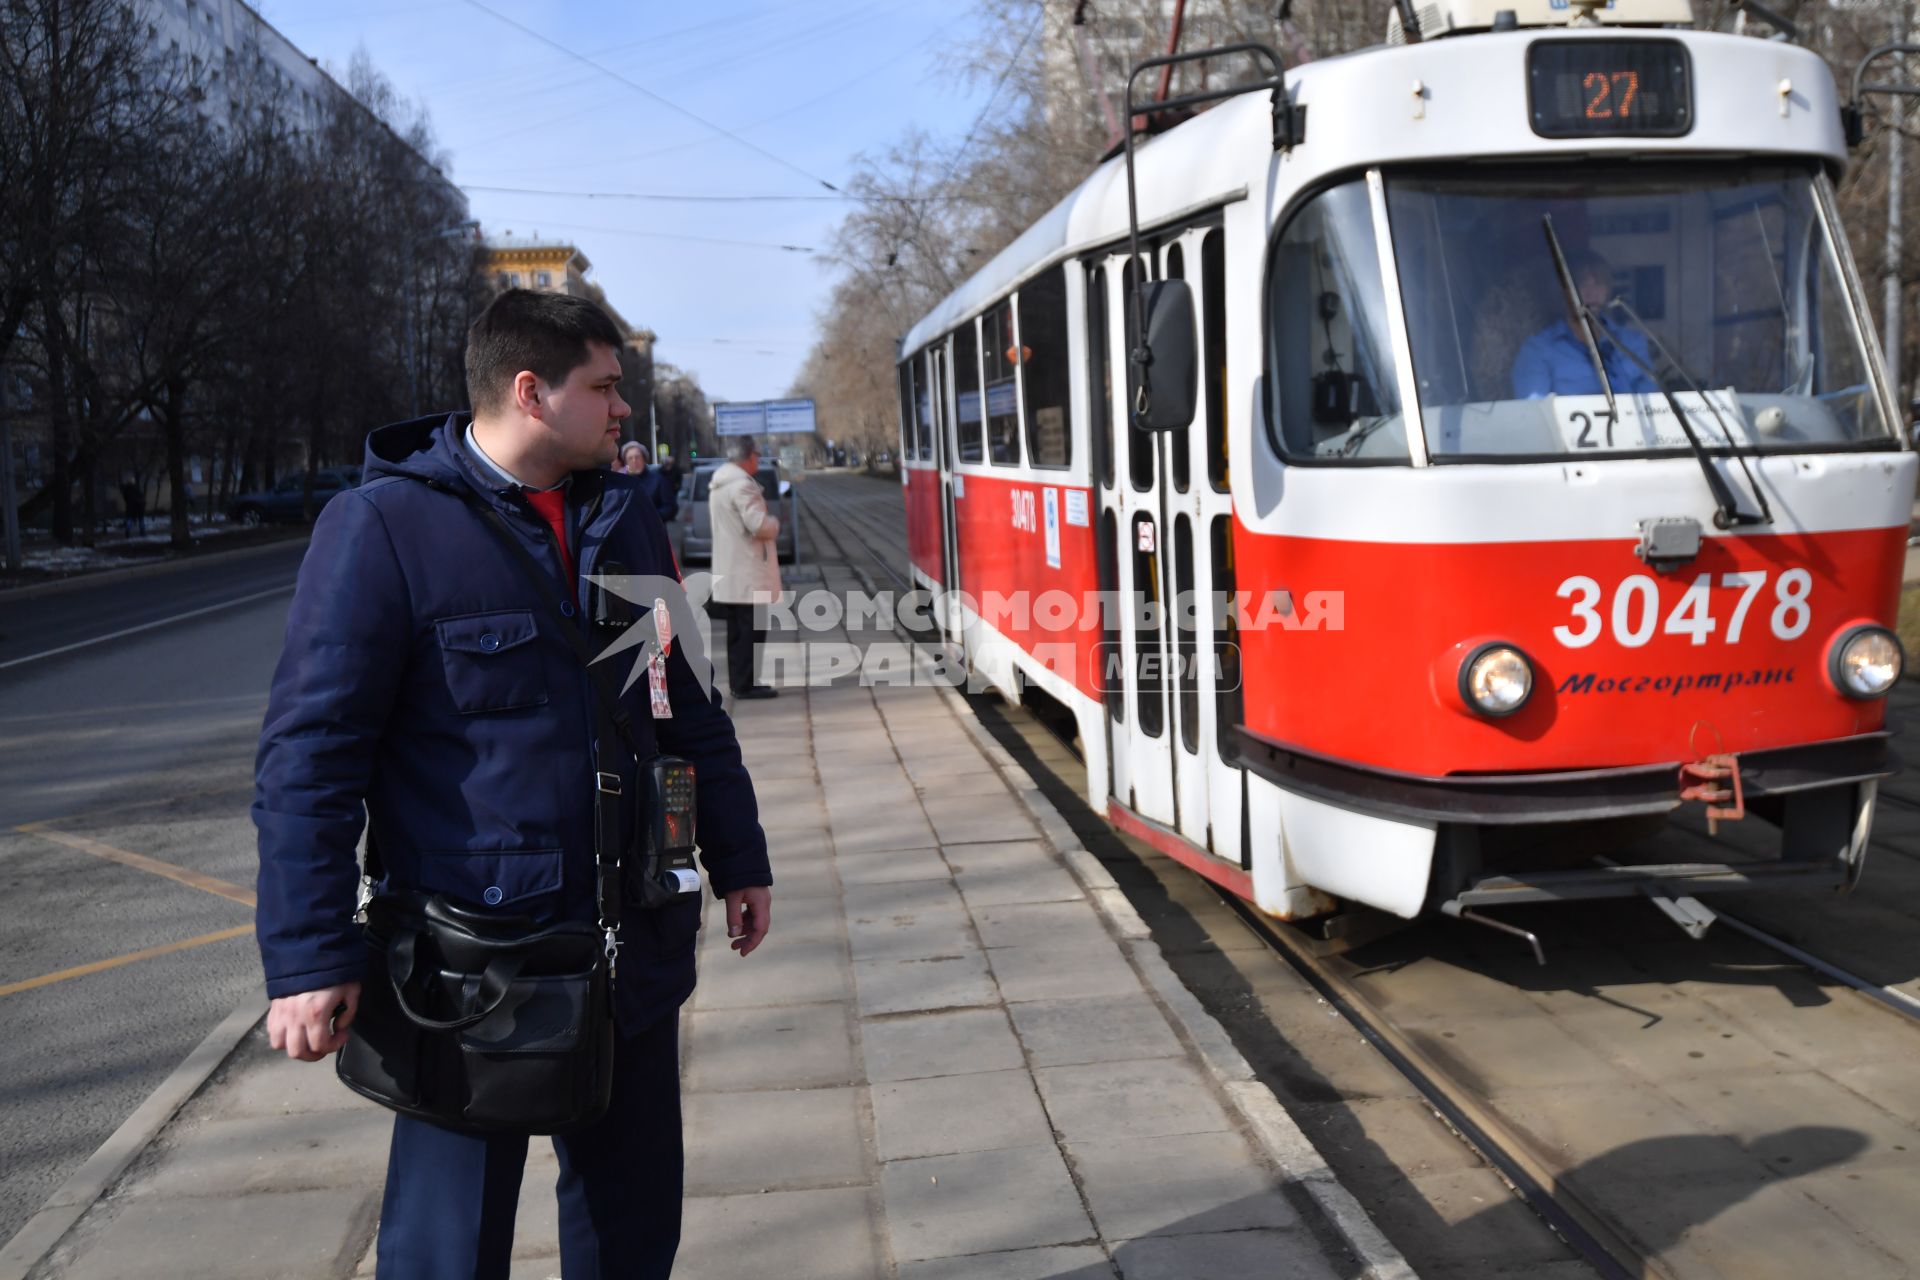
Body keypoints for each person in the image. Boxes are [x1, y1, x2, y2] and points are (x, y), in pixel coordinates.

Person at [252, 289, 773, 1278]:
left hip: (633, 955)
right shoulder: (386, 529)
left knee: (632, 1237)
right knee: (446, 1250)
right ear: (532, 392)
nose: (623, 408)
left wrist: (738, 855)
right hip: (470, 972)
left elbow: (684, 709)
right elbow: (309, 760)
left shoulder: (626, 524)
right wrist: (308, 954)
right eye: (604, 387)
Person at [1510, 248, 1659, 400]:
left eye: (1598, 284)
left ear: (1608, 289)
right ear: (1565, 292)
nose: (1591, 293)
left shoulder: (1631, 343)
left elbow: (1651, 402)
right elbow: (1536, 411)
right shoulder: (1538, 349)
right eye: (1583, 285)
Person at [707, 434, 781, 701]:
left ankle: (742, 682)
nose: (759, 459)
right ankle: (746, 685)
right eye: (758, 455)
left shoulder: (720, 483)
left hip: (733, 570)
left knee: (738, 633)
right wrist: (774, 523)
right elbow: (759, 524)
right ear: (749, 457)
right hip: (747, 571)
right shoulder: (742, 486)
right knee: (750, 630)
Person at [623, 440, 679, 524]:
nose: (634, 461)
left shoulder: (658, 480)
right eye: (630, 458)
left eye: (637, 457)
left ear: (644, 459)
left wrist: (652, 517)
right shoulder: (623, 483)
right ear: (626, 462)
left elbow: (671, 507)